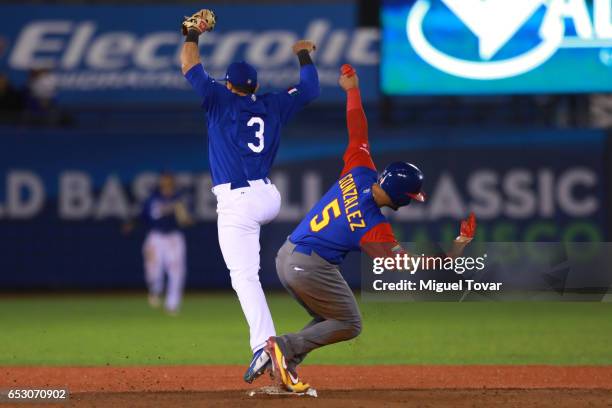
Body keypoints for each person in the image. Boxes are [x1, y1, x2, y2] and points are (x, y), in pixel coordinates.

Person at [263, 65, 477, 392]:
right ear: (401, 198)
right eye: (411, 197)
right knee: (350, 323)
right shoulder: (373, 226)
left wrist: (352, 90)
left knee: (330, 317)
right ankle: (284, 347)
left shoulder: (360, 170)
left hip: (287, 255)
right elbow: (412, 267)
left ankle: (283, 363)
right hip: (308, 265)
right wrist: (457, 247)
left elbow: (358, 130)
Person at [179, 9, 320, 382]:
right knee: (248, 273)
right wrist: (303, 54)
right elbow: (310, 90)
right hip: (268, 196)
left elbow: (190, 67)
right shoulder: (272, 102)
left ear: (229, 85)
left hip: (238, 199)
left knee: (244, 277)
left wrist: (191, 34)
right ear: (254, 86)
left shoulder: (218, 100)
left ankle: (264, 345)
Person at [124, 173, 193, 315]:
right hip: (155, 237)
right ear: (161, 182)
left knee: (176, 272)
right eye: (164, 180)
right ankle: (155, 290)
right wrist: (131, 224)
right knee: (152, 270)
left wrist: (183, 214)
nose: (166, 182)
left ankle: (172, 304)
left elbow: (188, 221)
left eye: (168, 180)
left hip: (173, 237)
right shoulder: (153, 199)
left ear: (172, 182)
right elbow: (142, 216)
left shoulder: (179, 199)